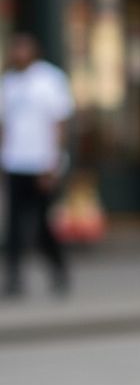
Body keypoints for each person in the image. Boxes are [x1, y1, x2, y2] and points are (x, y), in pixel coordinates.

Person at [0, 33, 73, 297]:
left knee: (43, 225)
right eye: (15, 48)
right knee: (14, 226)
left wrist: (52, 163)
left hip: (42, 164)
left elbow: (59, 124)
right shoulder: (8, 83)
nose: (18, 53)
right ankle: (14, 279)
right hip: (15, 163)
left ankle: (59, 270)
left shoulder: (49, 80)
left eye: (23, 48)